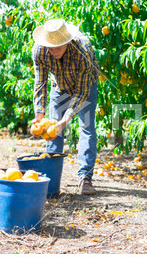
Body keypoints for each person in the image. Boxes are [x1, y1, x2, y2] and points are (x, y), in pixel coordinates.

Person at [31, 18, 100, 195]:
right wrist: (39, 116)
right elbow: (40, 83)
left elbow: (81, 93)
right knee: (54, 130)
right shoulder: (39, 50)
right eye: (49, 47)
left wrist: (65, 120)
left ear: (67, 42)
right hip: (59, 86)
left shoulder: (83, 49)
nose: (53, 51)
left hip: (86, 85)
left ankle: (85, 178)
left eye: (57, 47)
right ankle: (51, 180)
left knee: (86, 127)